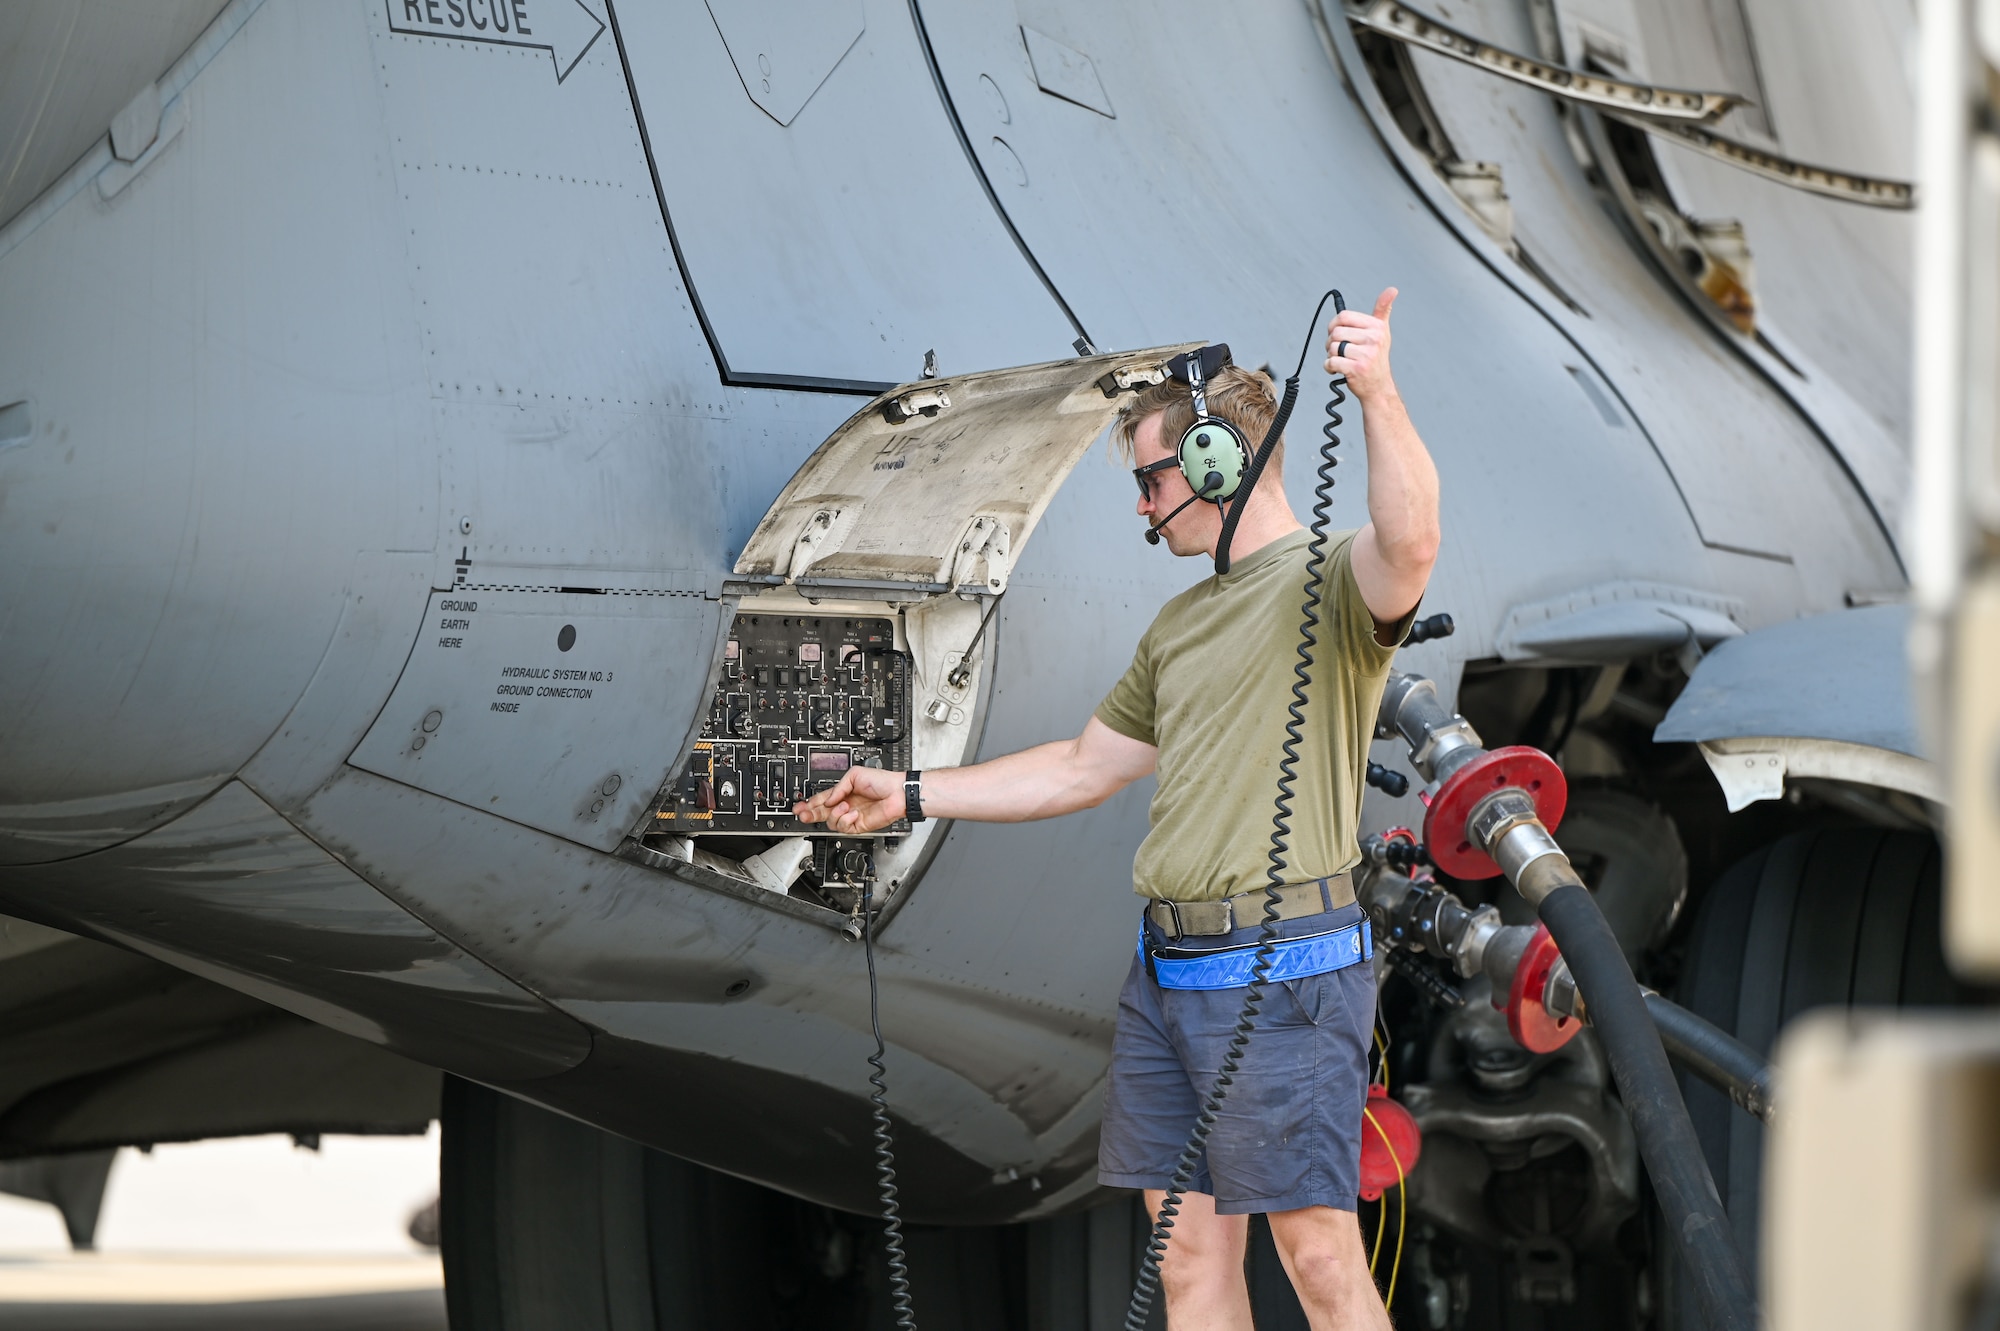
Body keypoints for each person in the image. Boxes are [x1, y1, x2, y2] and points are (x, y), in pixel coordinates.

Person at [797, 290, 1440, 1329]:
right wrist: (907, 792)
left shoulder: (1327, 581)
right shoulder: (1178, 624)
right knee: (1186, 1266)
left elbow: (1409, 545)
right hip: (1169, 976)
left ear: (1218, 462)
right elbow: (1078, 766)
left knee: (1317, 1257)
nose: (1141, 505)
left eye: (1149, 476)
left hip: (1289, 971)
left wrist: (1375, 390)